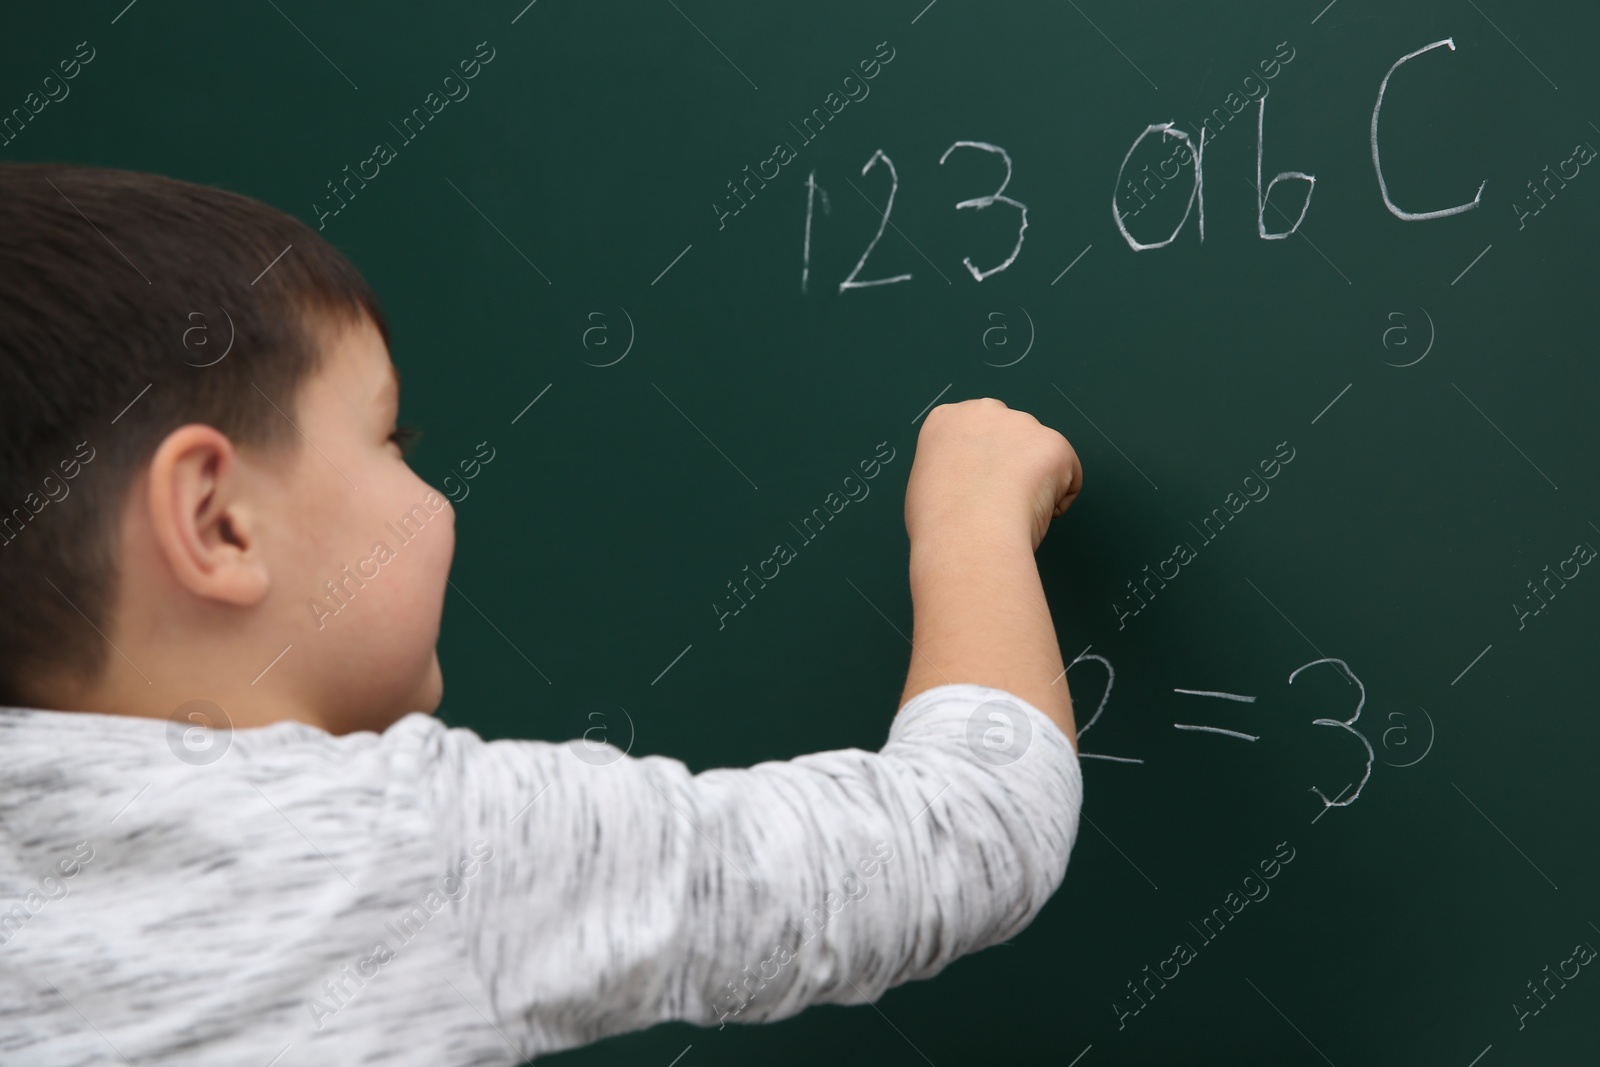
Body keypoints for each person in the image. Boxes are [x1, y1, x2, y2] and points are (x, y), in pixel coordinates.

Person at [0, 162, 1085, 1064]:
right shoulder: (415, 846)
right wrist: (970, 517)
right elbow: (964, 832)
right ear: (219, 521)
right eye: (392, 439)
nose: (437, 493)